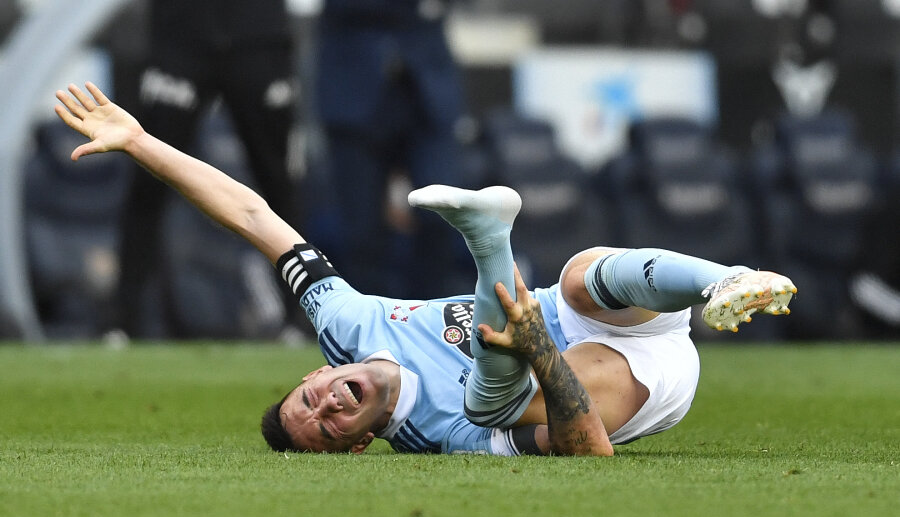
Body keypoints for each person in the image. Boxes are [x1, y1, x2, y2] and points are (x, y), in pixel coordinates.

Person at [55, 83, 797, 456]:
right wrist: (538, 350)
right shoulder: (439, 436)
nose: (326, 404)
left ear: (309, 375)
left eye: (306, 398)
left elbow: (254, 217)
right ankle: (489, 247)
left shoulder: (344, 326)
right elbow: (587, 450)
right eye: (326, 426)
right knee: (490, 407)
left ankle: (720, 280)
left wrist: (142, 141)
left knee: (575, 275)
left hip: (595, 312)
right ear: (355, 444)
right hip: (634, 383)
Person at [113, 0, 300, 337]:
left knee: (277, 182)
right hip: (182, 34)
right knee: (146, 175)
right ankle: (121, 321)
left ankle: (299, 317)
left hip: (258, 34)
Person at [313, 0, 470, 299]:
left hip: (427, 85)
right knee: (361, 232)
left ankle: (433, 320)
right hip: (353, 84)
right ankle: (370, 330)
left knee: (443, 216)